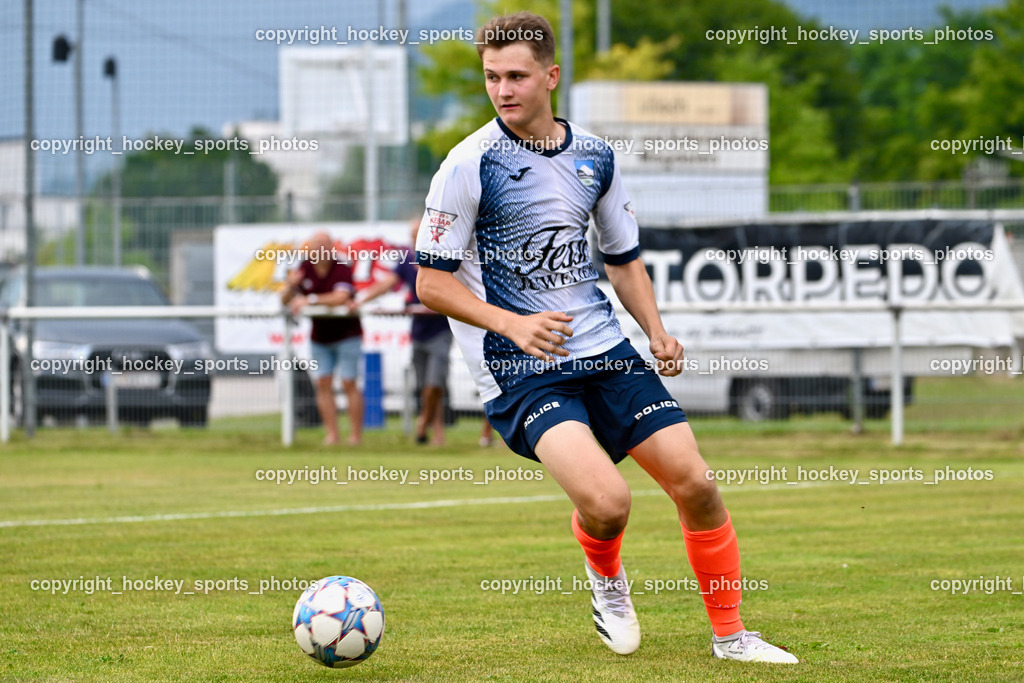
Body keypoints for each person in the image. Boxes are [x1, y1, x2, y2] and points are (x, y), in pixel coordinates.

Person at [414, 11, 797, 664]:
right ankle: (607, 581)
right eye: (491, 77)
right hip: (522, 367)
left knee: (698, 484)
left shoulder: (594, 155)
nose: (502, 89)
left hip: (608, 352)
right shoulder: (468, 164)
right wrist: (513, 323)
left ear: (550, 76)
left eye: (515, 76)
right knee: (608, 501)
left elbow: (623, 259)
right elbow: (430, 283)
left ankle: (732, 637)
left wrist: (657, 331)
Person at [353, 220, 454, 446]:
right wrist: (360, 300)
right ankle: (435, 433)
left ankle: (423, 425)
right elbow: (386, 284)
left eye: (419, 233)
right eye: (412, 234)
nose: (415, 238)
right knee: (425, 387)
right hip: (418, 332)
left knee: (434, 385)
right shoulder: (406, 260)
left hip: (441, 331)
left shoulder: (444, 258)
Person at [282, 231, 364, 446]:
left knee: (349, 383)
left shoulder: (342, 266)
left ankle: (355, 436)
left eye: (325, 244)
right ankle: (332, 435)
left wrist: (311, 299)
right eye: (316, 244)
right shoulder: (304, 267)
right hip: (319, 338)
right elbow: (284, 299)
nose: (320, 248)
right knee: (323, 385)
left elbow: (341, 297)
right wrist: (290, 285)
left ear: (332, 246)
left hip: (348, 335)